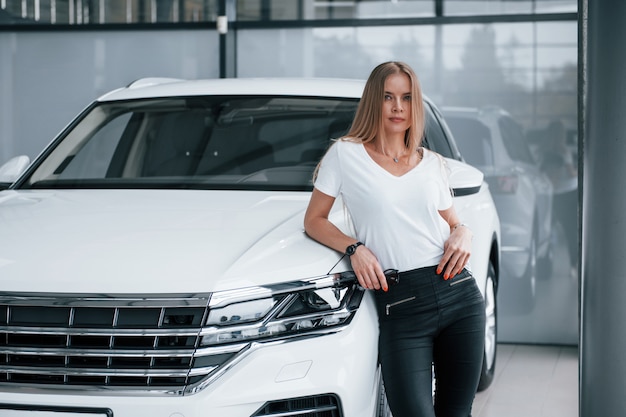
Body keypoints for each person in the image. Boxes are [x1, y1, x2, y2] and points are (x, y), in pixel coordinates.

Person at [303, 61, 485, 417]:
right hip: (401, 306)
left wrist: (464, 232)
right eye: (388, 97)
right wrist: (353, 248)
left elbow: (454, 224)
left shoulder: (432, 163)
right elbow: (314, 220)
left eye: (405, 98)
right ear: (375, 101)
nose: (398, 107)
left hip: (459, 296)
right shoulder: (345, 153)